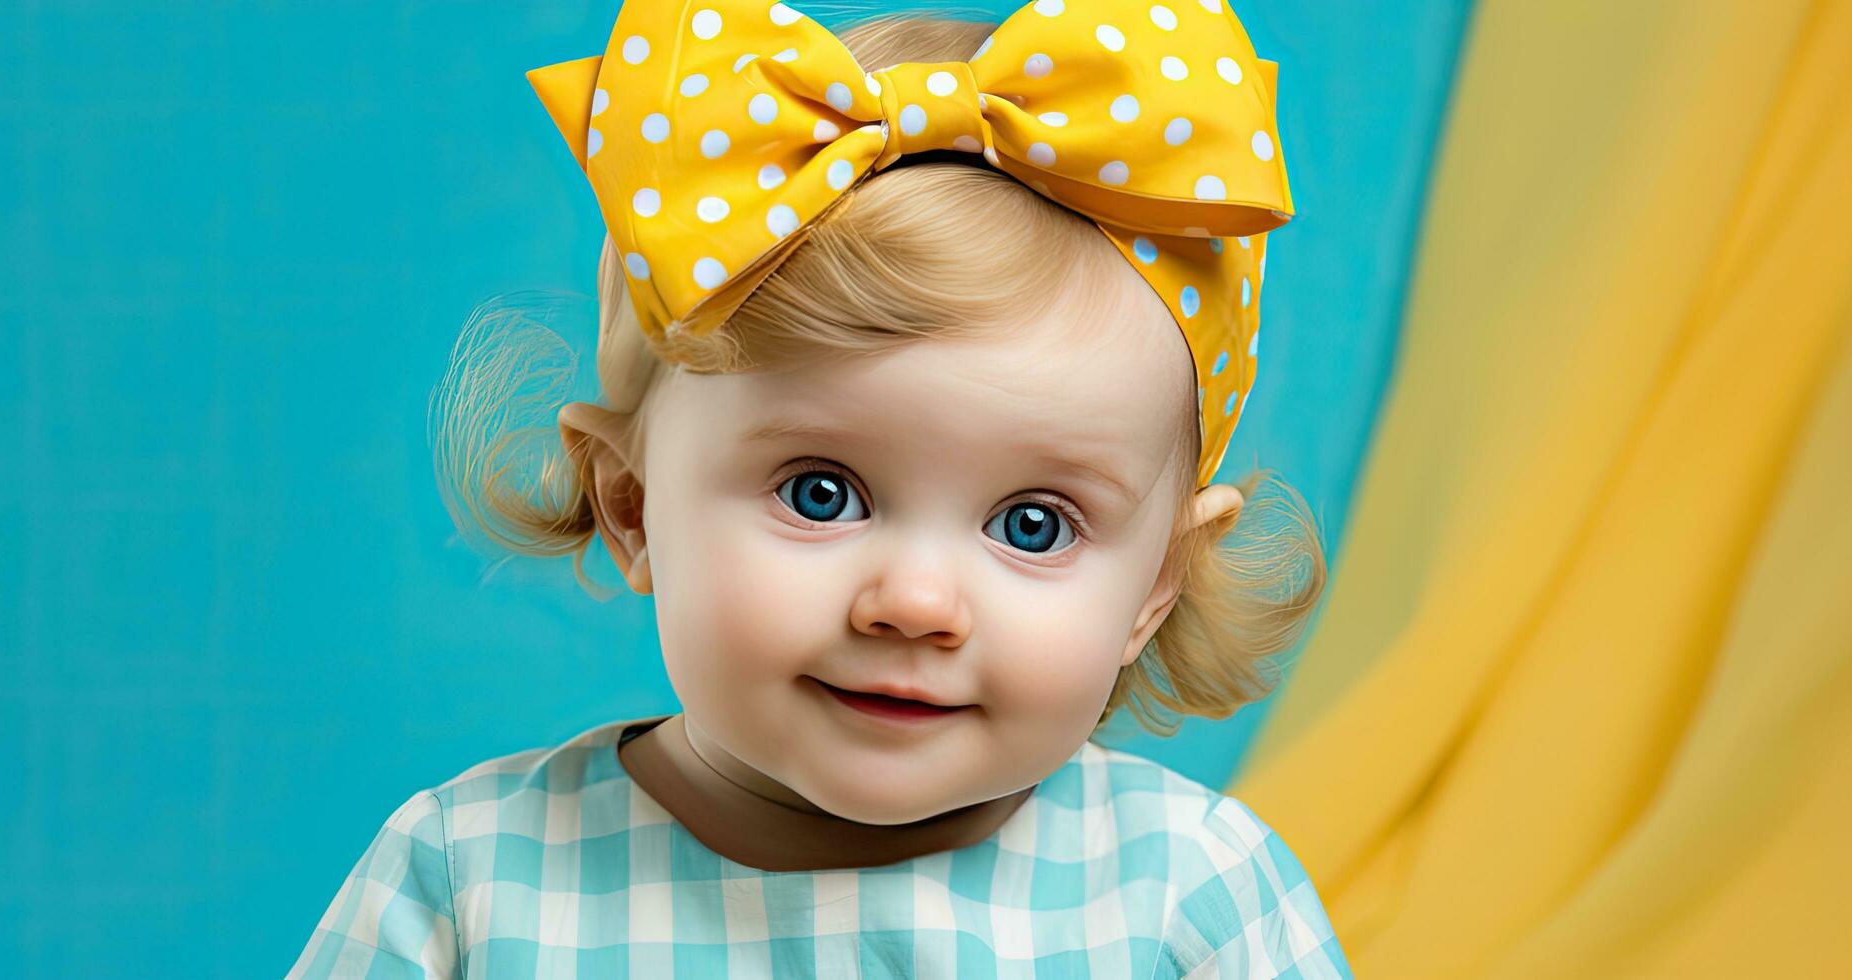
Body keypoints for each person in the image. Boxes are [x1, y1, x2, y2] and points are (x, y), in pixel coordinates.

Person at [292, 0, 1348, 975]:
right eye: (819, 493)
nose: (915, 601)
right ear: (629, 504)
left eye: (1032, 523)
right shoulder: (472, 881)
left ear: (1155, 584)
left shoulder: (1190, 895)